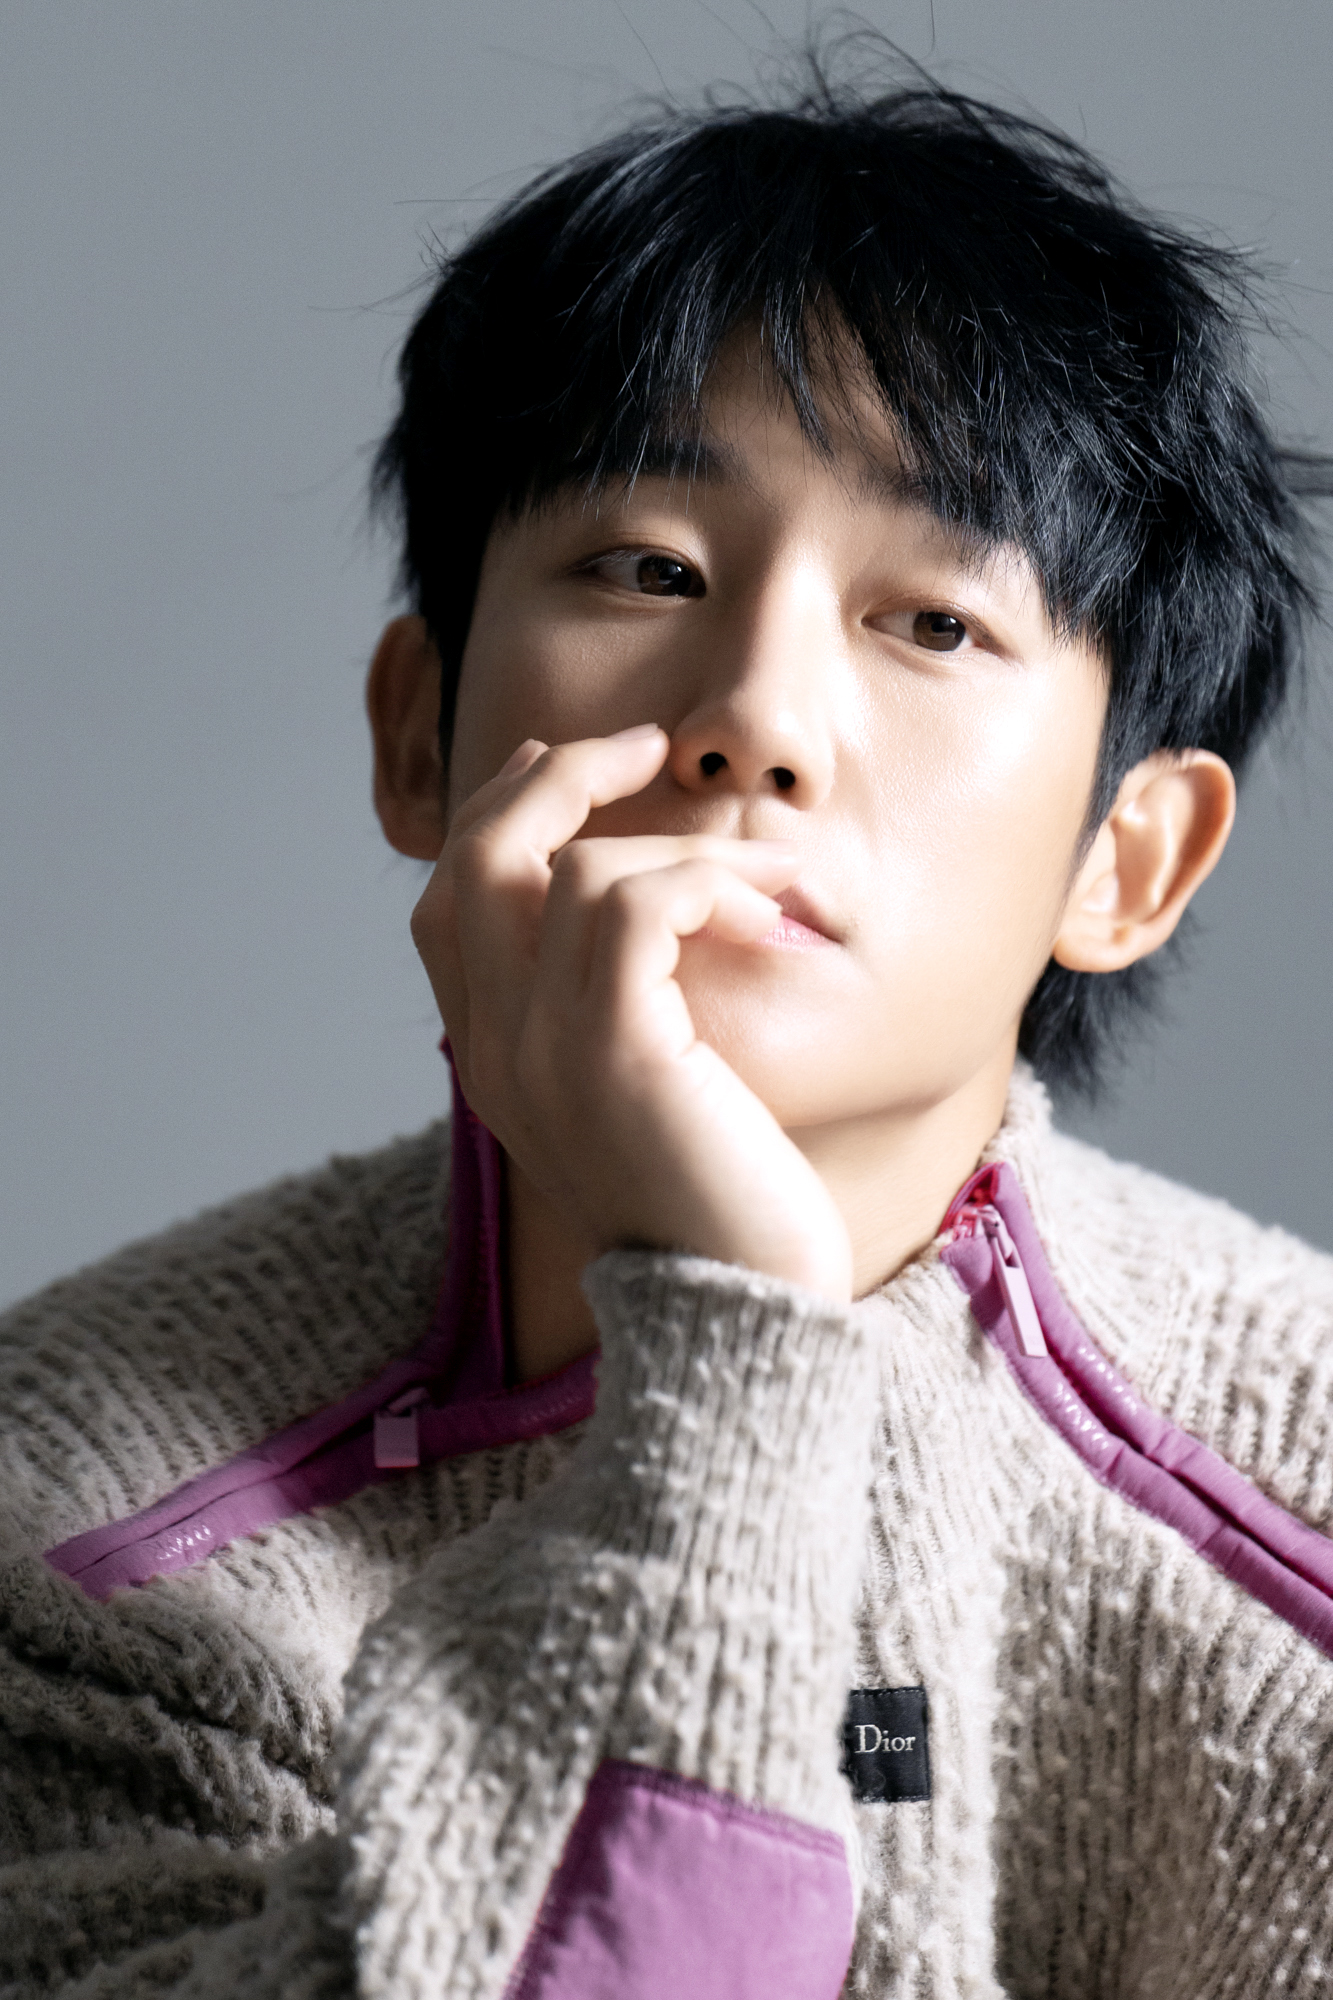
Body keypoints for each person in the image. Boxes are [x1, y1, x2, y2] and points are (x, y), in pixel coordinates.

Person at [3, 56, 1332, 2000]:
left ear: (1126, 857)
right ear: (420, 733)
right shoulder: (72, 1515)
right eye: (647, 568)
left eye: (934, 621)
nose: (755, 718)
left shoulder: (1300, 1494)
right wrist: (732, 1329)